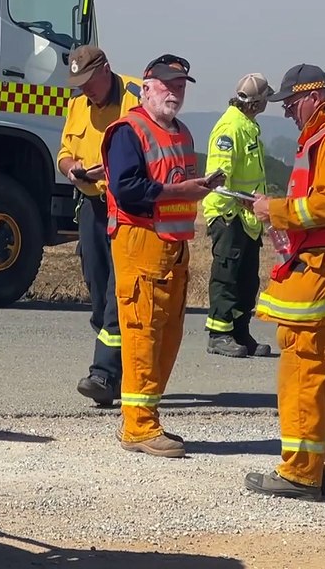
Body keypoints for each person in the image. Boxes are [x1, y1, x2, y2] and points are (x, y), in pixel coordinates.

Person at [244, 64, 325, 501]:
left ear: (314, 97)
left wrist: (274, 211)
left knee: (301, 362)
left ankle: (300, 472)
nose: (287, 112)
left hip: (321, 268)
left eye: (291, 103)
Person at [101, 54, 218, 458]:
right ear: (146, 88)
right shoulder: (128, 131)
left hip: (173, 244)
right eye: (168, 85)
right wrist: (180, 192)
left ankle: (142, 418)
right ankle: (139, 426)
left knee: (167, 337)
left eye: (181, 85)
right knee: (143, 333)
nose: (175, 92)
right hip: (140, 241)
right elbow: (126, 188)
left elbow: (174, 181)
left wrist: (197, 188)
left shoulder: (181, 132)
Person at [57, 44, 146, 406]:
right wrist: (72, 169)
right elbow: (64, 154)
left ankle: (103, 374)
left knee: (117, 292)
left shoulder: (137, 97)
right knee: (98, 288)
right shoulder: (77, 104)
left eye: (88, 82)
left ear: (106, 70)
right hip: (92, 207)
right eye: (78, 84)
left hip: (126, 208)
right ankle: (119, 368)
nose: (84, 90)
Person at [202, 72, 275, 358]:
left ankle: (240, 331)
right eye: (266, 98)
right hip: (229, 214)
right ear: (257, 102)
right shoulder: (231, 127)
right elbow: (220, 179)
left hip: (247, 217)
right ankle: (219, 334)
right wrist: (234, 210)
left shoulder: (248, 125)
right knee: (227, 276)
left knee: (247, 279)